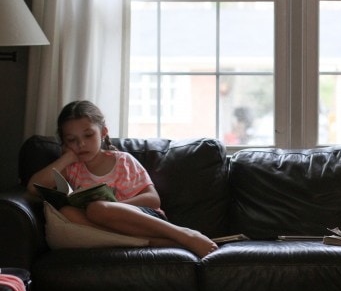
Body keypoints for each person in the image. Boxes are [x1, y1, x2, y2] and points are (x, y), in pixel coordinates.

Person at [27, 100, 218, 258]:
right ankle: (160, 243)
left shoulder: (123, 161)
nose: (81, 144)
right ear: (64, 142)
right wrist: (67, 157)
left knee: (98, 208)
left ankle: (183, 234)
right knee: (68, 211)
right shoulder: (72, 168)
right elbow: (34, 188)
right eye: (72, 140)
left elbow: (153, 200)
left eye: (88, 135)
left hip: (144, 220)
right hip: (106, 228)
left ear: (103, 133)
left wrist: (114, 208)